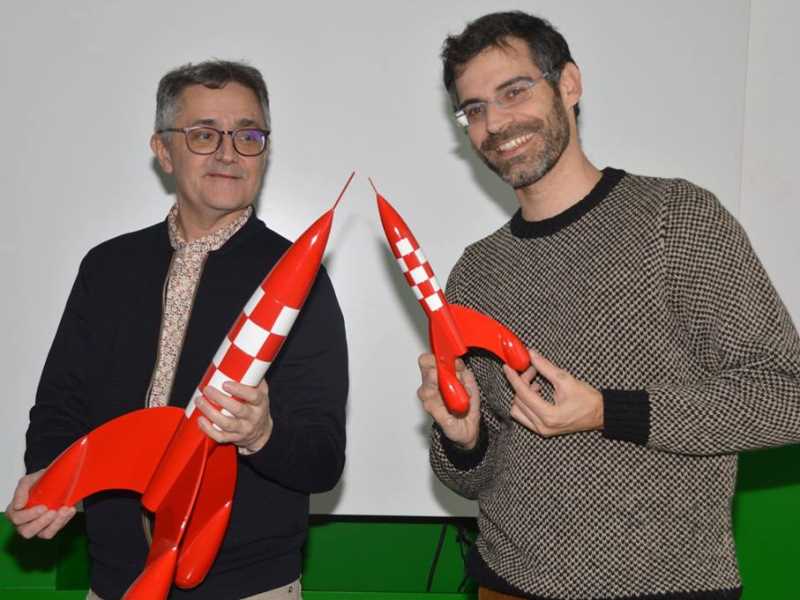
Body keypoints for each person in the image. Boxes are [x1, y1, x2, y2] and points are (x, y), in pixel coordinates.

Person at [417, 11, 800, 600]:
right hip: (505, 585)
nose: (495, 123)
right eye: (474, 109)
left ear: (568, 84)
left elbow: (787, 396)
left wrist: (607, 411)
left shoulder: (675, 218)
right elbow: (473, 480)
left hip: (666, 588)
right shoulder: (475, 272)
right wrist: (464, 440)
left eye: (514, 92)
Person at [5, 60, 348, 600]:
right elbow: (60, 405)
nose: (229, 153)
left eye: (248, 136)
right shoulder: (107, 267)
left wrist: (262, 434)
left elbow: (323, 460)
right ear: (163, 151)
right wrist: (51, 474)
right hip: (113, 582)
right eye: (204, 134)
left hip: (248, 586)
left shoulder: (298, 280)